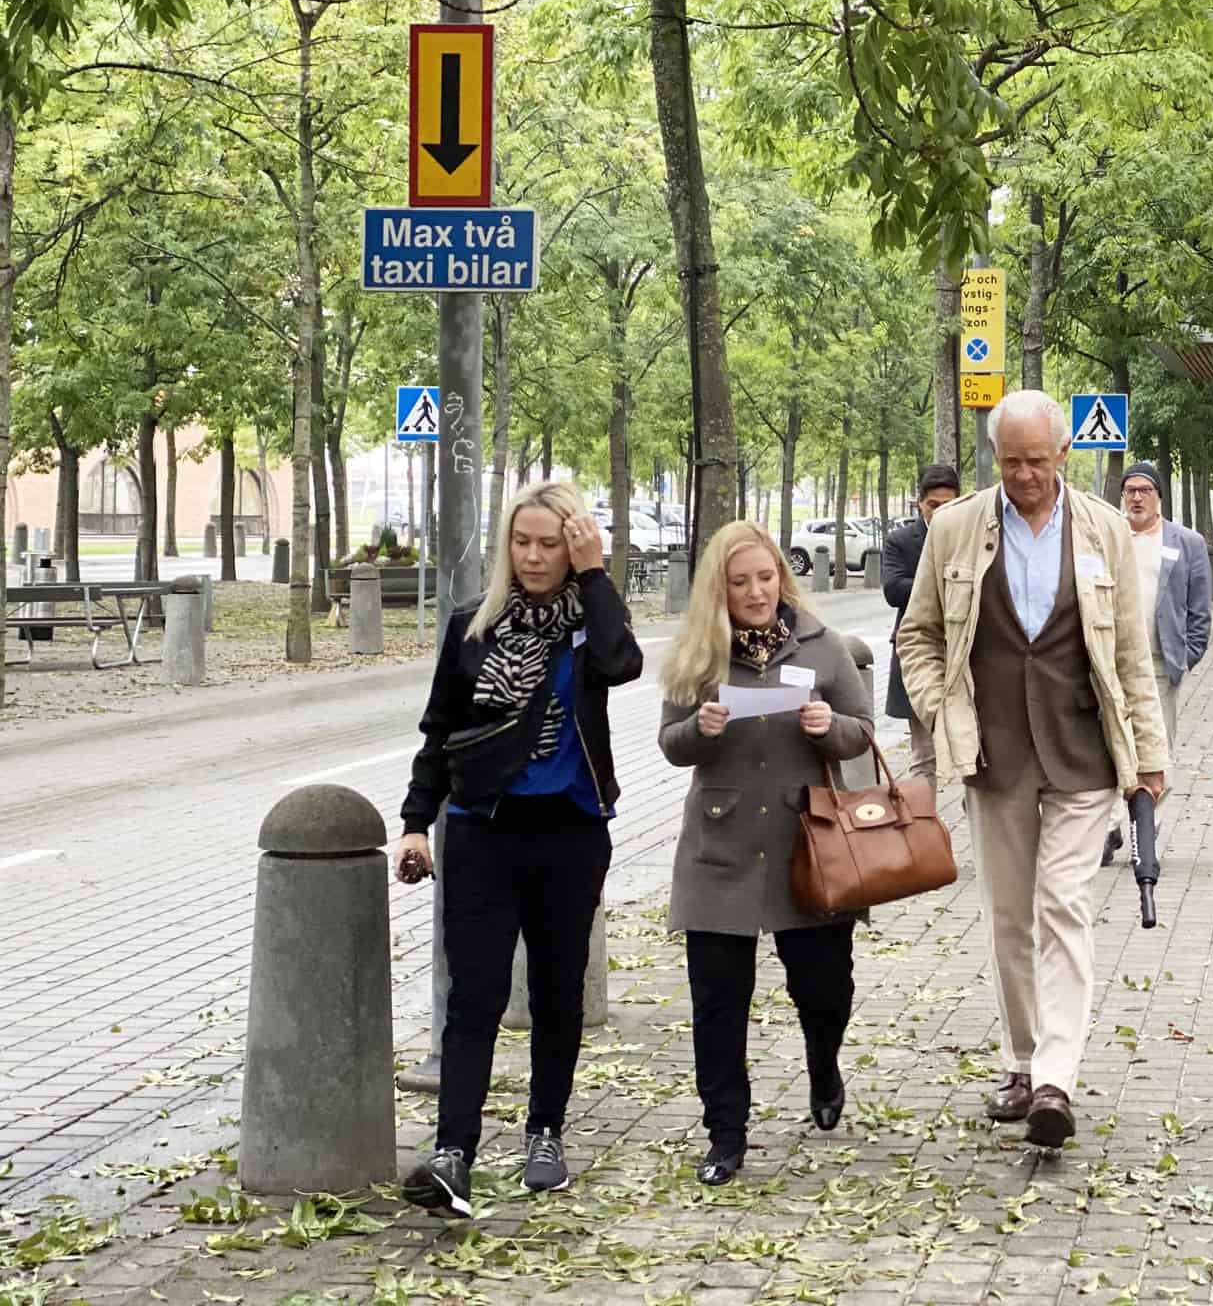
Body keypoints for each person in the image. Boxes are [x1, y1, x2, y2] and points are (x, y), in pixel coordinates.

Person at [896, 390, 1168, 1148]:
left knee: (1063, 903)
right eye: (1009, 461)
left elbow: (1129, 656)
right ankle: (1021, 1062)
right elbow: (914, 635)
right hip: (994, 752)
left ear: (1062, 456)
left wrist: (1148, 758)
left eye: (1036, 461)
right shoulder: (953, 529)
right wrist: (941, 704)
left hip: (1081, 749)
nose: (1023, 475)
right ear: (994, 457)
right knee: (1012, 916)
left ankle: (1056, 1077)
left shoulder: (1103, 528)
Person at [396, 481, 645, 1217]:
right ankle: (453, 1153)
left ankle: (545, 1133)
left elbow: (622, 661)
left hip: (569, 829)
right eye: (522, 542)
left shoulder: (587, 624)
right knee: (473, 995)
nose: (534, 558)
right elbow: (438, 729)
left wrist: (594, 571)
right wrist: (416, 821)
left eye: (550, 544)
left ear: (572, 546)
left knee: (556, 994)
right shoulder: (474, 624)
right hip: (481, 828)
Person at [658, 520, 875, 1186]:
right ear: (717, 590)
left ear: (782, 576)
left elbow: (862, 733)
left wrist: (826, 726)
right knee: (717, 1003)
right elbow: (670, 742)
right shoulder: (699, 654)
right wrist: (700, 727)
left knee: (823, 987)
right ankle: (725, 1134)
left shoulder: (823, 645)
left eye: (765, 578)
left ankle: (822, 1060)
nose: (755, 593)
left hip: (806, 848)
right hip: (719, 851)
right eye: (739, 581)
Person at [1102, 462, 1212, 866]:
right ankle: (1113, 827)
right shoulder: (1109, 537)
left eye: (1144, 490)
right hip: (1110, 662)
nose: (1136, 498)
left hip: (1159, 664)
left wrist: (1184, 656)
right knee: (1112, 744)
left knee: (1156, 751)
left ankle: (1145, 834)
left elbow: (1200, 610)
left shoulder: (1186, 542)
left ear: (1159, 496)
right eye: (1130, 490)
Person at [882, 464, 962, 778]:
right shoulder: (900, 541)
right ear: (920, 502)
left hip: (965, 655)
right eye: (934, 506)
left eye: (949, 505)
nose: (941, 513)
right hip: (918, 656)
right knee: (925, 756)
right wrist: (948, 584)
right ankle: (923, 825)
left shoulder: (972, 537)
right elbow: (893, 589)